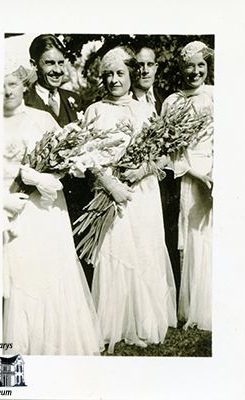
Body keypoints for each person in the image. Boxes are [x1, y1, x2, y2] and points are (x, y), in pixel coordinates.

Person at [3, 63, 103, 355]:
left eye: (12, 83)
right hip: (15, 207)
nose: (7, 90)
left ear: (24, 85)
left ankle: (59, 343)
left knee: (50, 271)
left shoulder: (42, 118)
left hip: (46, 208)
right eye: (1, 85)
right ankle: (26, 345)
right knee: (23, 275)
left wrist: (44, 179)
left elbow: (69, 158)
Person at [84, 47, 177, 354]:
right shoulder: (95, 110)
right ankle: (116, 323)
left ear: (130, 74)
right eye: (108, 74)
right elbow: (86, 155)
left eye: (119, 73)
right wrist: (110, 183)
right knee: (117, 250)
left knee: (144, 248)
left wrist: (143, 170)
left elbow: (164, 155)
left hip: (143, 192)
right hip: (112, 194)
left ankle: (143, 321)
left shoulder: (144, 110)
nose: (113, 80)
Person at [24, 33, 94, 288]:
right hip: (37, 194)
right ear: (34, 65)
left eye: (60, 63)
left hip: (73, 195)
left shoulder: (71, 99)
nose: (56, 70)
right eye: (48, 63)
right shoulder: (23, 101)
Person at [161, 41, 214, 331]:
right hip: (188, 176)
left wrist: (216, 174)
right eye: (189, 65)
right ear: (181, 68)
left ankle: (213, 305)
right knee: (191, 237)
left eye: (200, 65)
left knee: (211, 236)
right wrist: (196, 174)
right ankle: (191, 308)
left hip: (213, 173)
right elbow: (170, 152)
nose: (195, 71)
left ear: (207, 67)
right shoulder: (172, 101)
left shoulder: (216, 96)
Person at [132, 45, 181, 297]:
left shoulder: (166, 101)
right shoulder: (125, 101)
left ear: (156, 67)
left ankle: (165, 297)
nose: (144, 70)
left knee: (165, 238)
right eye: (139, 65)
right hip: (138, 182)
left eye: (149, 64)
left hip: (164, 181)